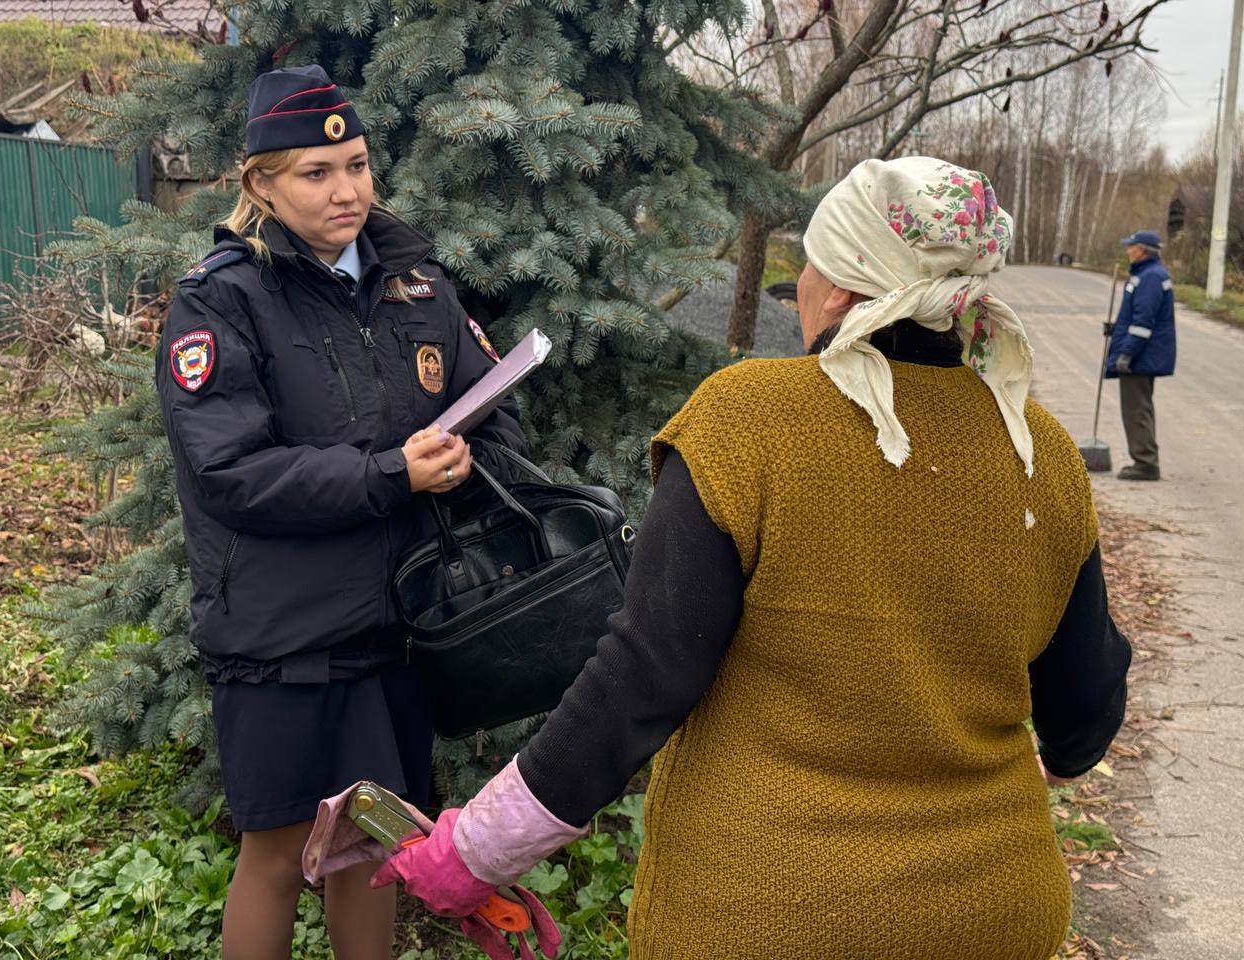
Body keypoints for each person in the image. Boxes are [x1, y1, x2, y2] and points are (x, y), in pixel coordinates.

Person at [369, 158, 1132, 960]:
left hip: (770, 910)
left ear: (839, 287)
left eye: (809, 264)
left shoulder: (751, 422)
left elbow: (644, 677)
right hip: (994, 910)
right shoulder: (1038, 448)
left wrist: (477, 851)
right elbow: (1082, 720)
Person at [156, 64, 528, 960]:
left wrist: (466, 454)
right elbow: (232, 471)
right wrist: (392, 474)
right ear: (262, 185)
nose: (347, 190)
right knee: (280, 854)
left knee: (376, 847)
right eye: (316, 174)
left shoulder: (419, 287)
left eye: (357, 165)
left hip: (395, 623)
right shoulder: (220, 302)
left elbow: (498, 410)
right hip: (281, 633)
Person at [1106, 229, 1176, 481]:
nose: (1128, 251)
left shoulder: (1149, 277)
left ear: (1143, 250)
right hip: (1143, 355)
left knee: (1136, 410)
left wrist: (1126, 353)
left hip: (1140, 357)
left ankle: (1145, 463)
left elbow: (1143, 323)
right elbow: (1135, 318)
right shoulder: (1149, 275)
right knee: (1140, 409)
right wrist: (1115, 329)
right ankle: (1146, 458)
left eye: (1131, 246)